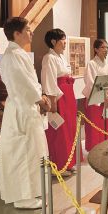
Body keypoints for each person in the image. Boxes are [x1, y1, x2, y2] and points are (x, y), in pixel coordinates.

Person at [0, 17, 50, 209]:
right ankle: (24, 198)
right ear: (16, 33)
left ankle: (31, 192)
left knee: (31, 150)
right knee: (23, 152)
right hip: (21, 108)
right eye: (28, 29)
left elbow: (30, 82)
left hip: (27, 107)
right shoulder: (12, 56)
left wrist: (41, 96)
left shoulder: (18, 53)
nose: (31, 32)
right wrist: (40, 99)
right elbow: (22, 85)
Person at [41, 28, 82, 176]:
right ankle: (58, 165)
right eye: (62, 39)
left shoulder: (61, 57)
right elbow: (49, 82)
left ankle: (68, 162)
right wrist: (53, 104)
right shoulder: (49, 58)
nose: (65, 42)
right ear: (53, 41)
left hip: (68, 96)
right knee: (59, 131)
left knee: (69, 129)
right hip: (58, 98)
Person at [82, 39, 108, 151]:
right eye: (103, 47)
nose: (106, 50)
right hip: (96, 98)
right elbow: (90, 82)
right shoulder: (91, 64)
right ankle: (95, 149)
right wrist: (103, 95)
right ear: (96, 49)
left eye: (107, 47)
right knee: (96, 124)